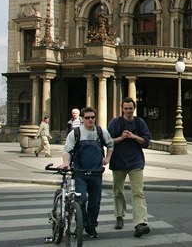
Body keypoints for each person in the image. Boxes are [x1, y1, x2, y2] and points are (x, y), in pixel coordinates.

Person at [59, 107, 114, 239]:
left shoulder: (101, 131)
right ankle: (82, 223)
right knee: (81, 199)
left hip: (96, 172)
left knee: (95, 203)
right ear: (82, 119)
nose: (90, 120)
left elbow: (110, 145)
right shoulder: (75, 133)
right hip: (79, 173)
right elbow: (67, 150)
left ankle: (91, 227)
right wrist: (66, 162)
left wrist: (107, 159)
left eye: (92, 117)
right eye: (87, 118)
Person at [108, 97, 152, 238]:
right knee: (118, 191)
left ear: (134, 108)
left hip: (135, 162)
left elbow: (146, 141)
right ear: (122, 109)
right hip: (118, 162)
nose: (128, 111)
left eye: (130, 108)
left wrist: (134, 136)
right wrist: (120, 138)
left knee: (138, 193)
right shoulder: (115, 123)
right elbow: (107, 141)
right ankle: (119, 216)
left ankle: (140, 223)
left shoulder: (140, 122)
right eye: (126, 108)